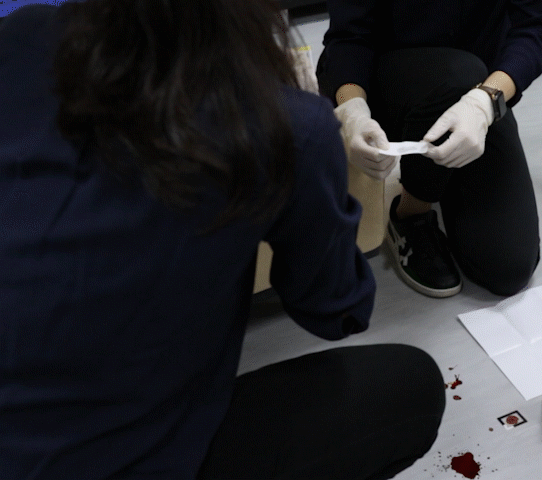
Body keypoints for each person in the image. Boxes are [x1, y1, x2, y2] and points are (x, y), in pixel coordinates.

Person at [0, 1, 444, 479]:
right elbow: (338, 309)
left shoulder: (21, 34)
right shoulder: (280, 124)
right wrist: (318, 169)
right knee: (412, 389)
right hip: (117, 460)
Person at [317, 0, 542, 299]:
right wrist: (352, 109)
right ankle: (410, 212)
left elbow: (535, 30)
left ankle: (442, 167)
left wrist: (485, 102)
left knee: (508, 268)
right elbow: (348, 37)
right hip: (385, 81)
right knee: (456, 73)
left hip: (477, 89)